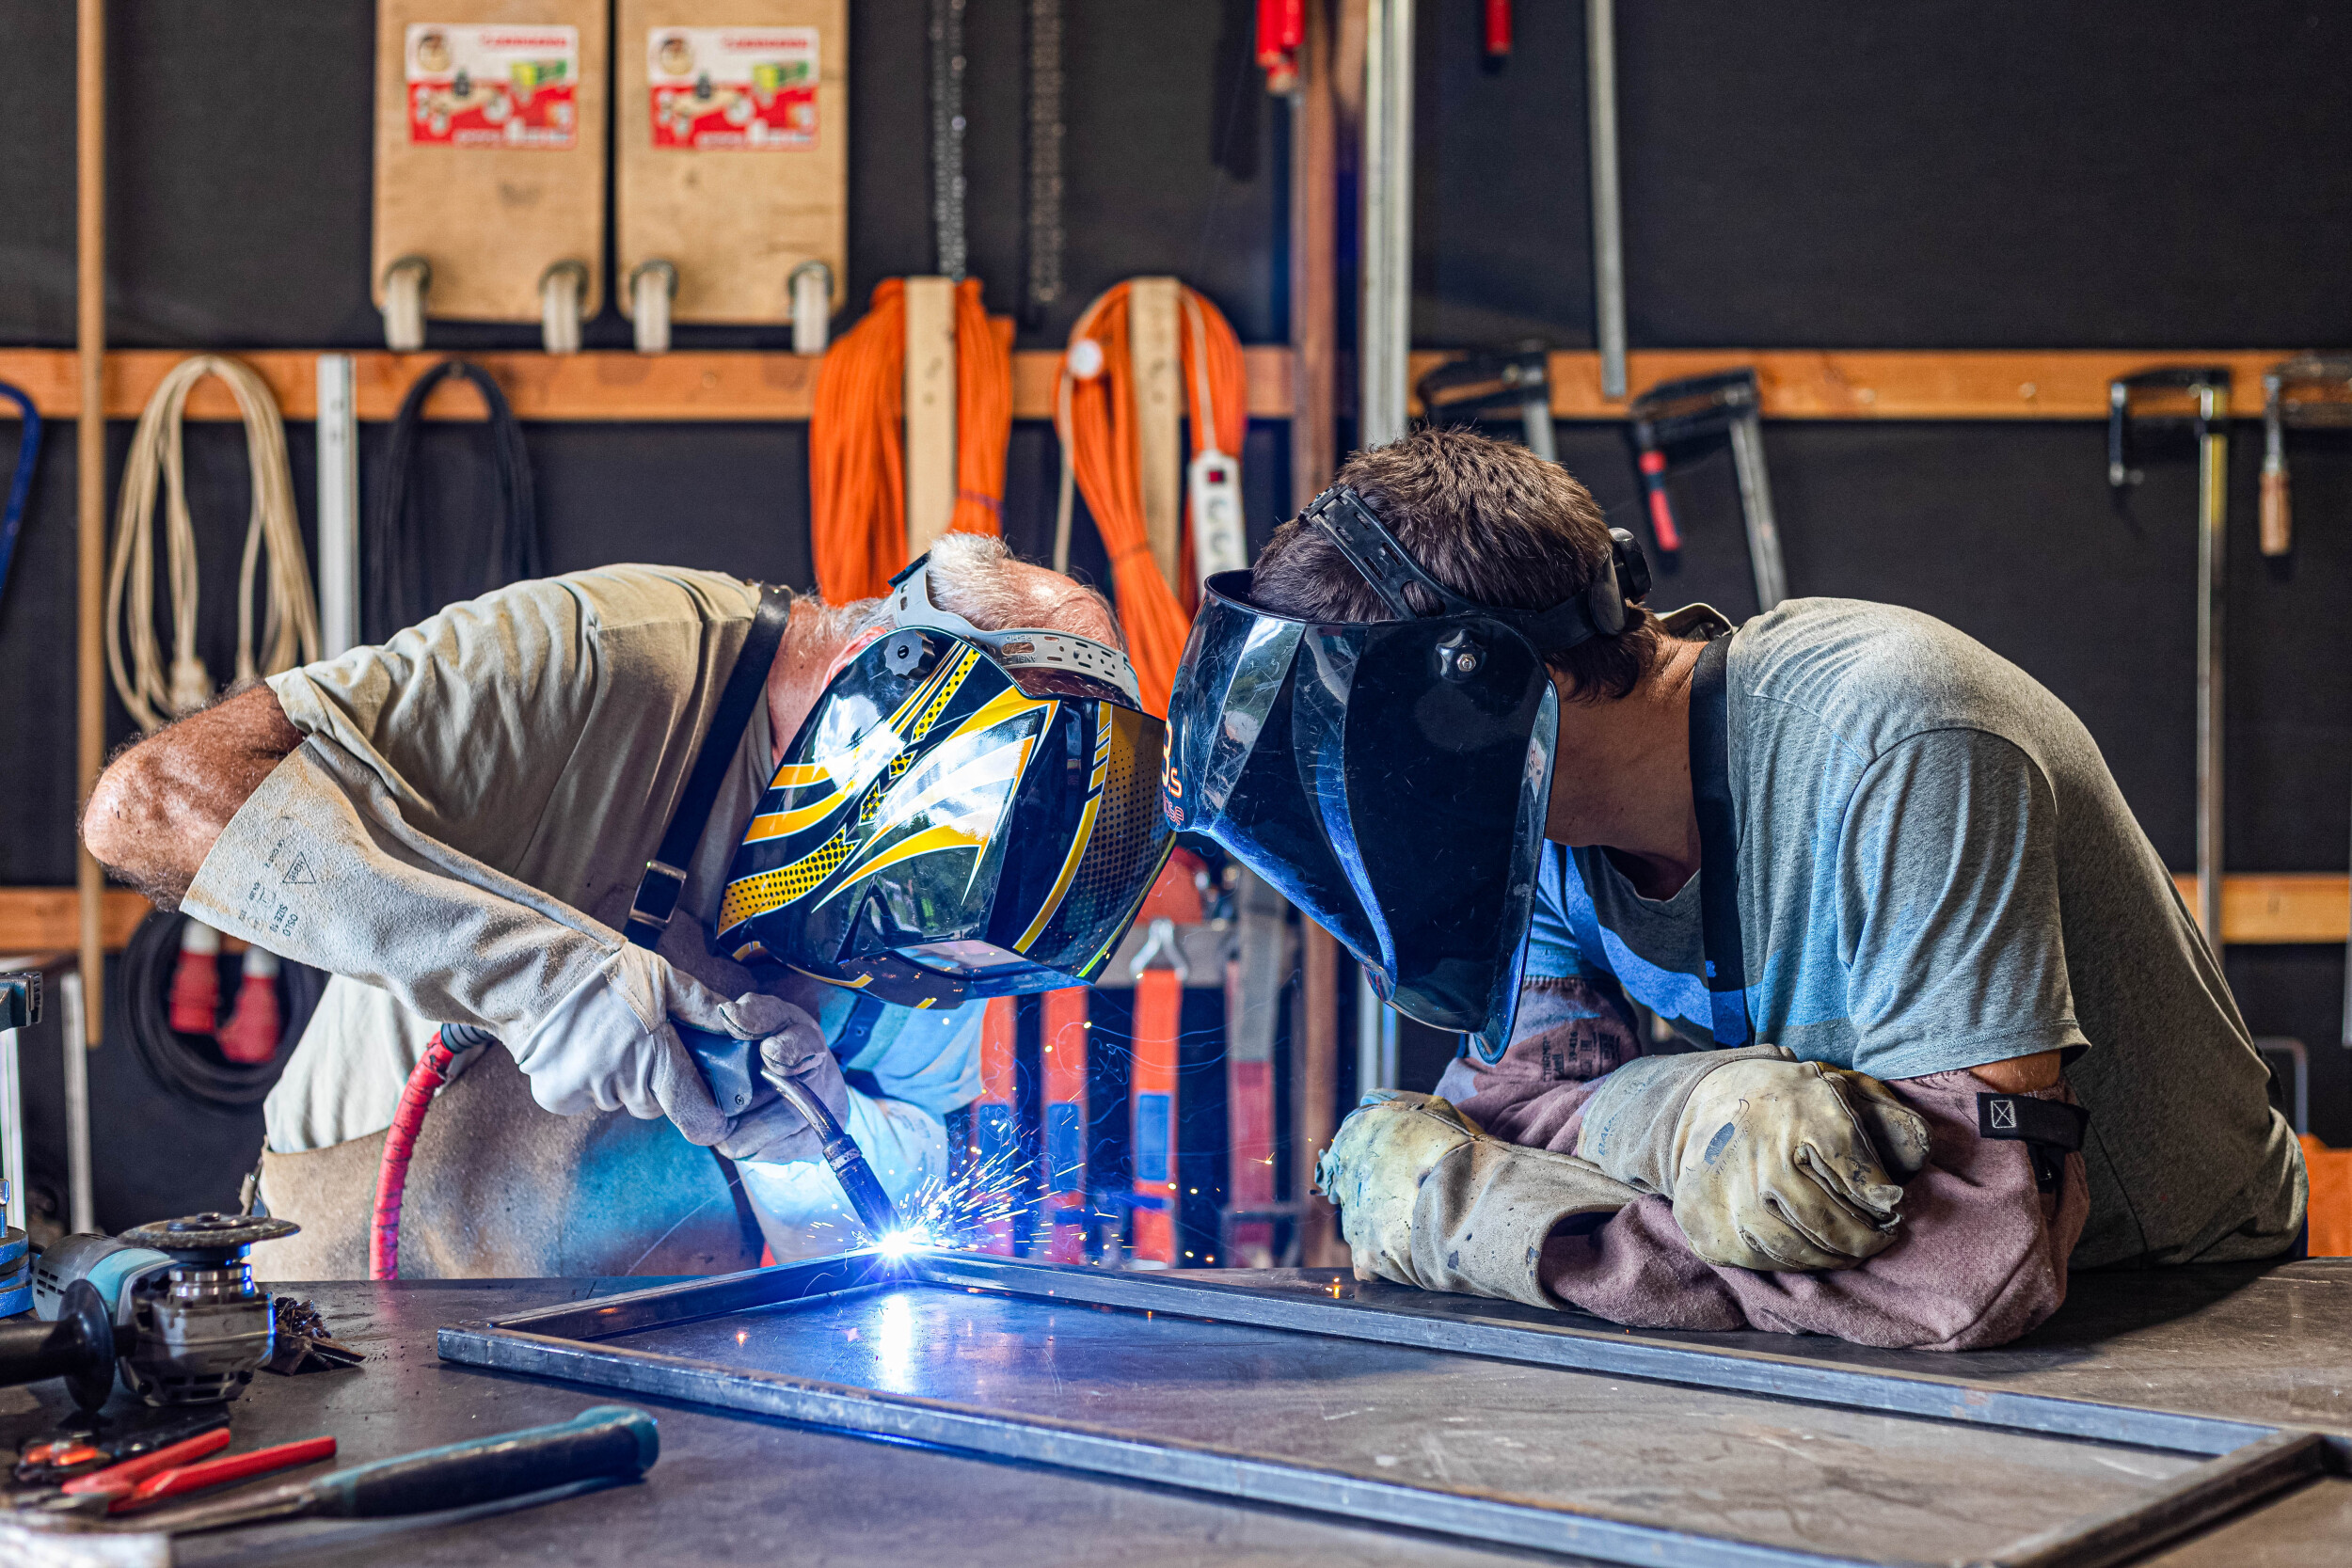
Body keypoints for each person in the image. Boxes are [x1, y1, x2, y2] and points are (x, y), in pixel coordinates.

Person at [1165, 426, 2303, 1352]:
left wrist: (1507, 1229)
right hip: (1883, 1333)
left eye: (1371, 756)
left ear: (1504, 697)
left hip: (2179, 1303)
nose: (1371, 800)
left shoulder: (1898, 737)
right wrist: (1685, 1108)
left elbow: (1966, 1267)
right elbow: (1506, 1113)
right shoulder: (1543, 823)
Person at [83, 535, 1170, 1279]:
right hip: (355, 1300)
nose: (907, 947)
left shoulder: (975, 881)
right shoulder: (604, 658)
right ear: (876, 683)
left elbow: (905, 1181)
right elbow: (149, 802)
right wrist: (543, 980)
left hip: (657, 1372)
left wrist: (808, 1142)